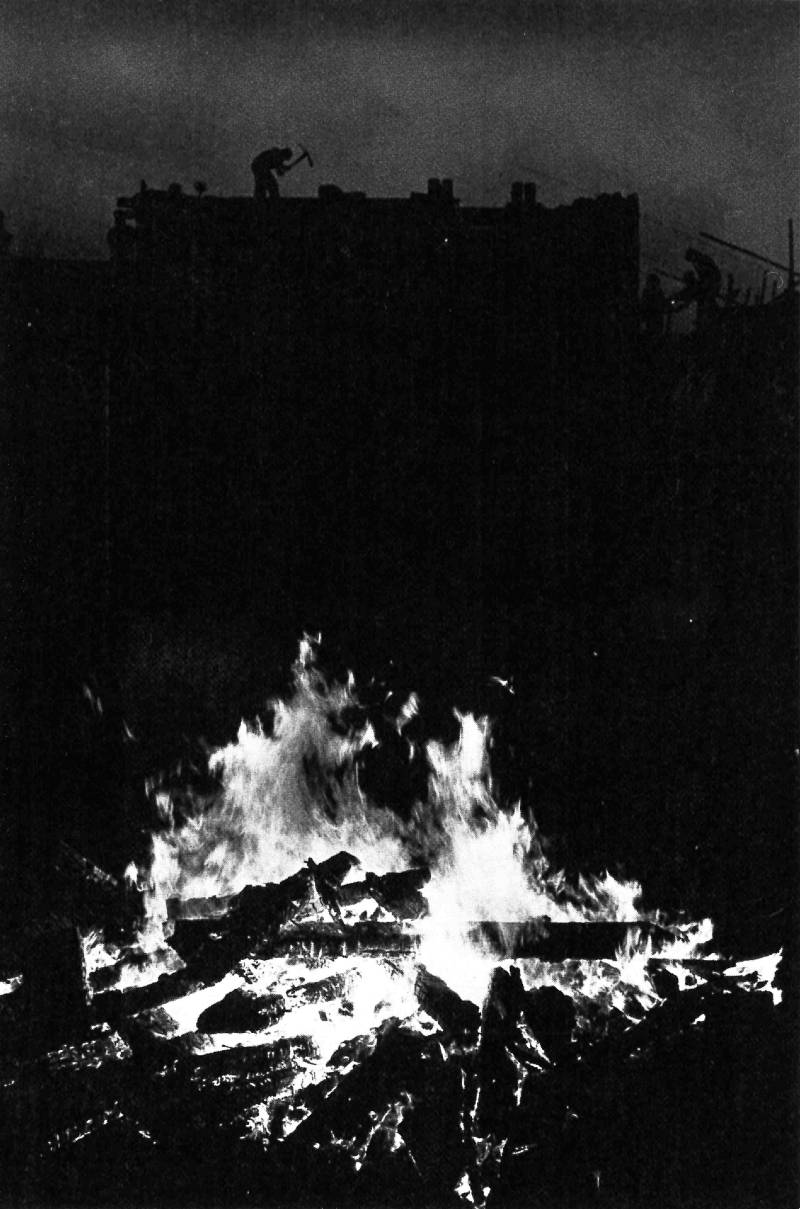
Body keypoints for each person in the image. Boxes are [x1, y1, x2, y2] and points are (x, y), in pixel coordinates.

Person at [684, 247, 721, 330]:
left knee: (706, 301)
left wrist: (705, 284)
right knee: (705, 301)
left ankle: (705, 320)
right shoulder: (700, 261)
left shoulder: (702, 261)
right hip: (709, 285)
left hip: (711, 284)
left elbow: (710, 274)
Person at [639, 272, 667, 338]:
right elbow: (644, 305)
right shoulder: (646, 293)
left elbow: (662, 305)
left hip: (655, 318)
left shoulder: (659, 293)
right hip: (650, 318)